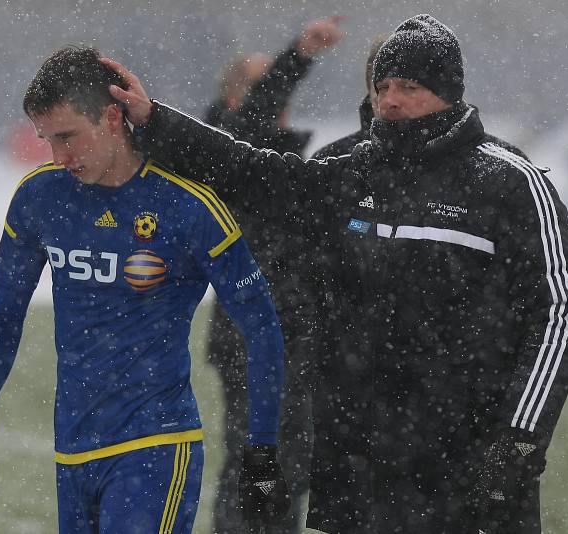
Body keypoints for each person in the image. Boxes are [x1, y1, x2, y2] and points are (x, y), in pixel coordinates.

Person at [102, 13, 568, 533]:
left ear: (447, 92)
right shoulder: (350, 173)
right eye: (382, 87)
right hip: (362, 470)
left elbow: (558, 315)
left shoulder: (510, 182)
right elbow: (249, 167)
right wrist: (155, 120)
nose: (390, 100)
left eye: (409, 86)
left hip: (467, 463)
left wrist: (518, 443)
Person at [0, 46, 291, 534]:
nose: (58, 156)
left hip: (156, 447)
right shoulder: (39, 198)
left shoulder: (188, 206)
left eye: (68, 137)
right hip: (72, 452)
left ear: (112, 117)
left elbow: (260, 325)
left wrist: (261, 448)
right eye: (46, 139)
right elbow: (4, 316)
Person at [202, 16, 344, 534]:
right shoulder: (227, 147)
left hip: (297, 332)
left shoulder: (281, 156)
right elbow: (259, 109)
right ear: (238, 98)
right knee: (255, 457)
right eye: (266, 83)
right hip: (250, 333)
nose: (281, 93)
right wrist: (299, 55)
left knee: (293, 457)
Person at [311, 33, 388, 160]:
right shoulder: (331, 160)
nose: (393, 100)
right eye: (383, 89)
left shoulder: (431, 162)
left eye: (408, 88)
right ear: (372, 97)